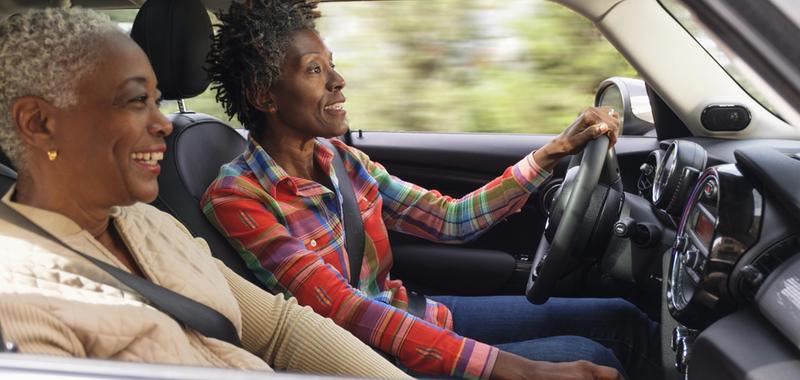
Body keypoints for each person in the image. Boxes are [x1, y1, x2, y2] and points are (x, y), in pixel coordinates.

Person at [203, 1, 658, 379]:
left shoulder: (341, 160)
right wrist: (517, 369)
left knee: (623, 318)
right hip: (366, 359)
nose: (338, 81)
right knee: (590, 355)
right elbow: (344, 311)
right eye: (314, 70)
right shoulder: (239, 197)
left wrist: (554, 151)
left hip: (410, 316)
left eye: (333, 66)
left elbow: (449, 219)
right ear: (266, 95)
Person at [0, 7, 411, 379]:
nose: (162, 124)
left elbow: (282, 329)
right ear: (39, 123)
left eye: (156, 101)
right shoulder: (20, 299)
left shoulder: (150, 223)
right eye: (135, 101)